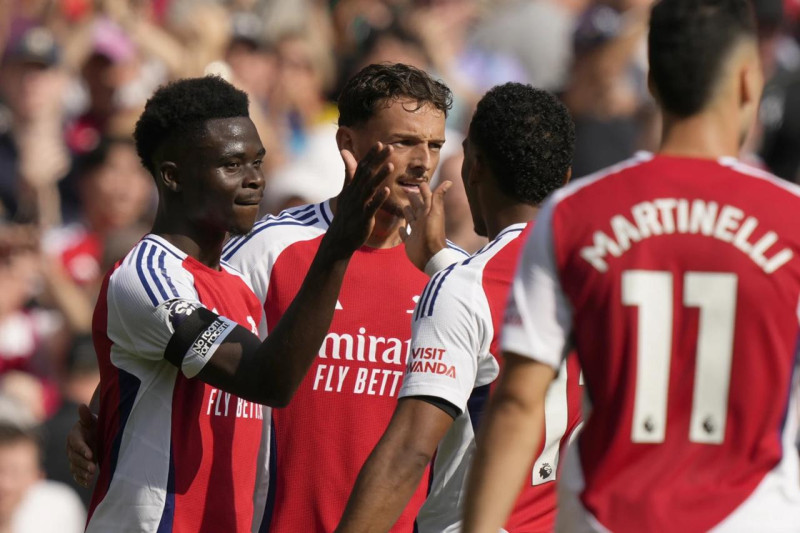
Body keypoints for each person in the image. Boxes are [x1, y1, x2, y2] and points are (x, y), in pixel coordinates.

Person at [68, 63, 464, 533]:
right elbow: (166, 328)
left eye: (434, 145)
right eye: (402, 142)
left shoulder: (452, 277)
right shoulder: (264, 249)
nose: (422, 161)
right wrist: (102, 412)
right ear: (348, 144)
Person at [464, 1, 800, 532]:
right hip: (753, 516)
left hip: (606, 515)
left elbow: (518, 403)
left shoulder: (575, 213)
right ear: (746, 82)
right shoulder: (792, 220)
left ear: (653, 84)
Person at [335, 82, 581, 533]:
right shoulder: (598, 277)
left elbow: (410, 450)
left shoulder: (469, 285)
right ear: (565, 178)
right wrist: (438, 259)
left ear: (474, 166)